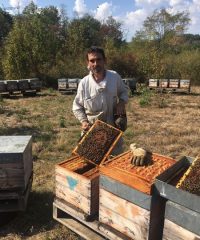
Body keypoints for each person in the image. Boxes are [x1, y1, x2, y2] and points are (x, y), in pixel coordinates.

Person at [72, 46, 128, 155]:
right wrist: (83, 121)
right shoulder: (84, 83)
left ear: (105, 60)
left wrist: (121, 102)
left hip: (113, 130)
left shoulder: (114, 77)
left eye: (98, 59)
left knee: (113, 164)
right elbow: (77, 106)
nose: (95, 63)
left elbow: (124, 91)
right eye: (92, 61)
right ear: (88, 63)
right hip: (92, 132)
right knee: (92, 165)